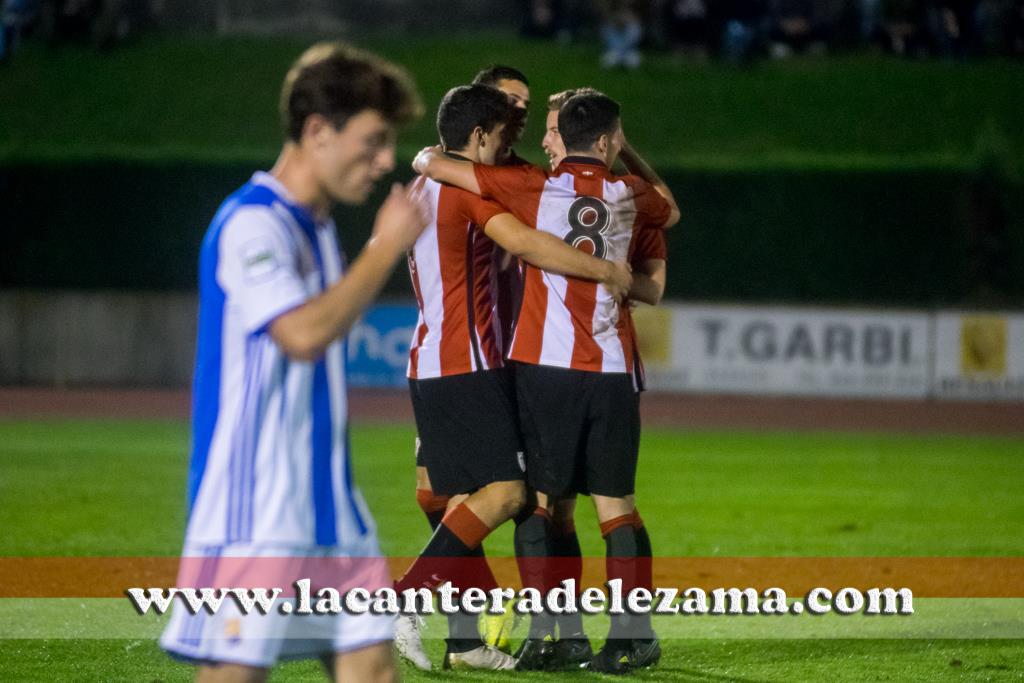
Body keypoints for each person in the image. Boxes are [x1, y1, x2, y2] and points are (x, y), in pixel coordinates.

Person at [159, 42, 428, 683]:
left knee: (372, 668)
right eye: (374, 140)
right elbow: (303, 334)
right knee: (236, 674)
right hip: (258, 505)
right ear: (317, 132)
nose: (386, 160)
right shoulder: (252, 224)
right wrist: (386, 247)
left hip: (329, 504)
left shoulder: (318, 229)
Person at [413, 89, 679, 674]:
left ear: (570, 140)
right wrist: (623, 150)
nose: (544, 138)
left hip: (542, 366)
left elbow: (448, 168)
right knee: (616, 508)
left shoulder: (535, 186)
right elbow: (668, 217)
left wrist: (427, 158)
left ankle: (553, 635)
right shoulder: (633, 195)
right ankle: (630, 637)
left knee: (538, 503)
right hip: (610, 367)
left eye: (553, 129)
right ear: (609, 141)